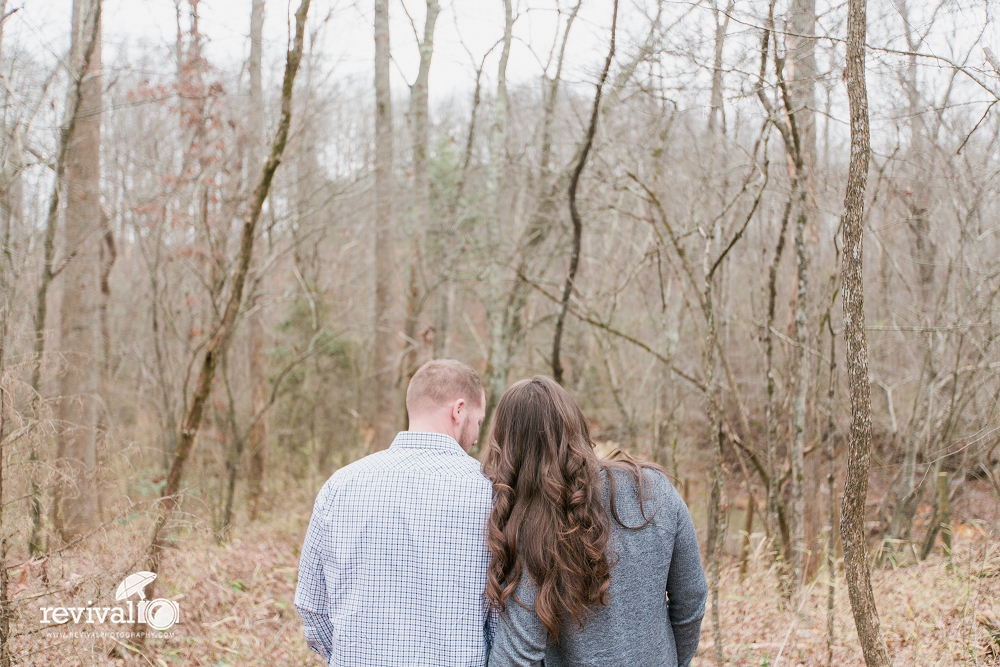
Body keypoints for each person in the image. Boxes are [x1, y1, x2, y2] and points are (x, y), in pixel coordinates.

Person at [483, 376, 707, 667]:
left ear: (507, 446)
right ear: (576, 424)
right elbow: (692, 599)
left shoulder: (530, 526)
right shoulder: (654, 490)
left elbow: (514, 656)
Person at [295, 359, 494, 666]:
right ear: (459, 410)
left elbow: (312, 606)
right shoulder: (491, 492)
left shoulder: (341, 485)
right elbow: (504, 614)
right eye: (479, 422)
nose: (478, 436)